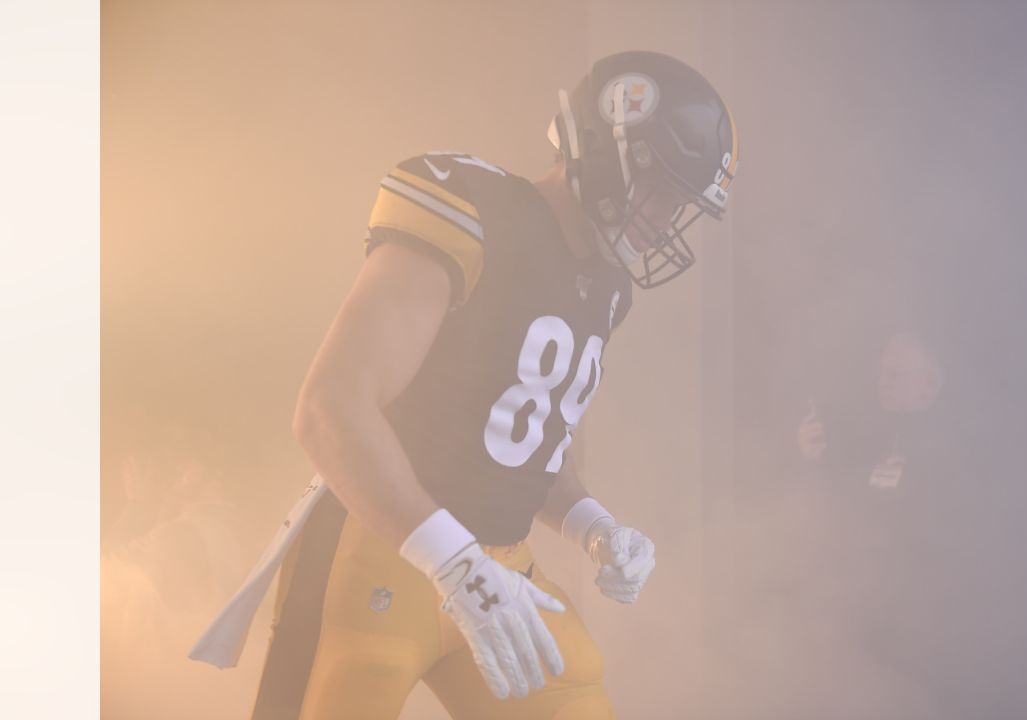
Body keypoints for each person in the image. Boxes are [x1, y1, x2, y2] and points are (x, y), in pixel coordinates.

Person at [236, 51, 739, 720]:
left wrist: (595, 527)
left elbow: (520, 446)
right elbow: (330, 411)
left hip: (501, 570)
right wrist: (454, 564)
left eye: (682, 202)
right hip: (378, 551)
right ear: (609, 148)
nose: (664, 217)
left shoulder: (606, 287)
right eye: (663, 189)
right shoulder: (471, 210)